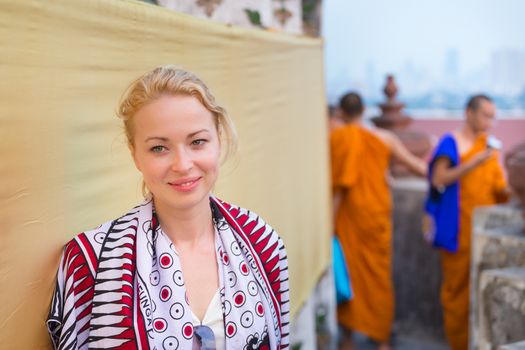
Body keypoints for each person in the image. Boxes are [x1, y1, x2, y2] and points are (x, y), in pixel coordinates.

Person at [46, 66, 290, 350]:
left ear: (218, 141)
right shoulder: (91, 262)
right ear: (134, 153)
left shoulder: (263, 243)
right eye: (159, 148)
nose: (182, 165)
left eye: (197, 142)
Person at [330, 92, 426, 350]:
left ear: (340, 112)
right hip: (375, 218)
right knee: (378, 278)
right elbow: (417, 166)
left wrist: (330, 223)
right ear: (364, 110)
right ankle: (381, 339)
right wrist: (446, 174)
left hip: (347, 218)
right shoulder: (384, 138)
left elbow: (336, 187)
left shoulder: (336, 138)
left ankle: (347, 338)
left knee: (349, 277)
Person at [425, 94, 508, 350]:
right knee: (456, 295)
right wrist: (474, 162)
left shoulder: (487, 146)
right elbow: (439, 178)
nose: (489, 122)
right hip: (457, 230)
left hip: (486, 230)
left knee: (484, 293)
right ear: (469, 113)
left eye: (492, 116)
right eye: (485, 115)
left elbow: (499, 187)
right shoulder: (452, 143)